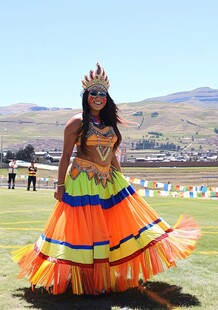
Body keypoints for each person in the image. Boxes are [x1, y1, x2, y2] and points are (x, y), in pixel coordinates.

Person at [13, 63, 201, 295]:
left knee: (111, 230)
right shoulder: (76, 122)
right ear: (86, 96)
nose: (98, 97)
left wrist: (122, 181)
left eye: (103, 93)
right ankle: (81, 277)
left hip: (108, 181)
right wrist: (59, 185)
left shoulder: (108, 123)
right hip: (82, 181)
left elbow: (112, 156)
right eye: (94, 93)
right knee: (85, 232)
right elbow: (64, 156)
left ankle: (100, 277)